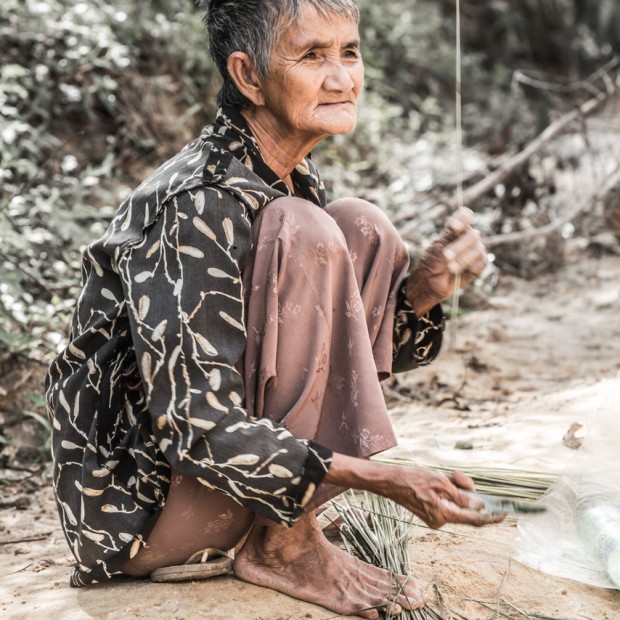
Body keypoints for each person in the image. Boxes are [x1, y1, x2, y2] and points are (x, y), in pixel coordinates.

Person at [45, 0, 500, 617]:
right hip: (144, 515)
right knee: (308, 231)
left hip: (222, 488)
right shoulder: (197, 203)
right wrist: (383, 480)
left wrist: (423, 291)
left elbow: (352, 358)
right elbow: (193, 428)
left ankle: (284, 522)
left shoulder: (285, 174)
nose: (341, 78)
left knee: (361, 227)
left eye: (349, 52)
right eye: (313, 55)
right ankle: (285, 542)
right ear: (248, 76)